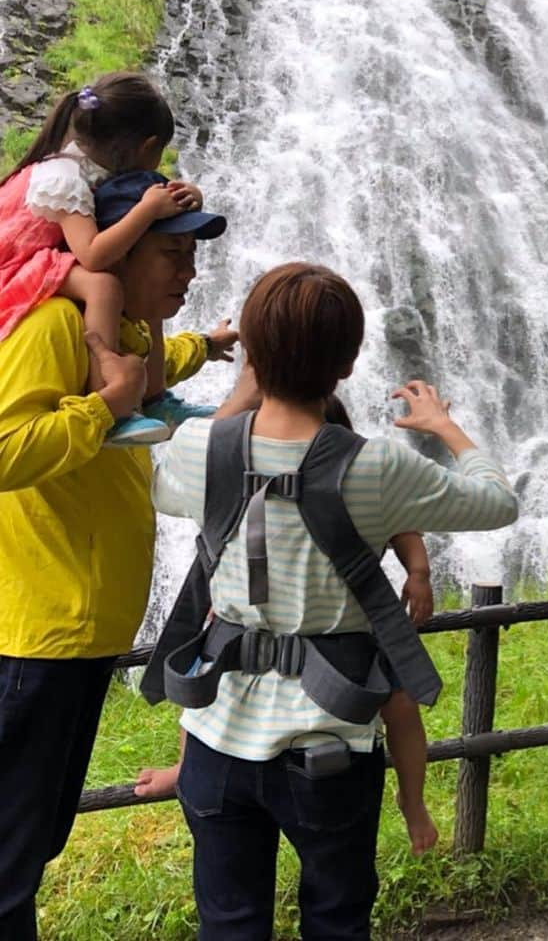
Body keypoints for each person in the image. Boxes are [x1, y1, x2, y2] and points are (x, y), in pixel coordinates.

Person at [149, 263, 518, 938]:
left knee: (227, 925)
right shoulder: (378, 465)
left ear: (252, 354)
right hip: (330, 747)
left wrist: (241, 391)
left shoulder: (200, 447)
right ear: (348, 364)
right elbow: (497, 502)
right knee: (338, 922)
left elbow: (168, 487)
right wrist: (444, 428)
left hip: (215, 742)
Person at [0, 204, 232, 938]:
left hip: (81, 635)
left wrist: (207, 344)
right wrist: (104, 406)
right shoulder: (54, 329)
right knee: (7, 855)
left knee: (30, 843)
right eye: (171, 255)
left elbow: (148, 372)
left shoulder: (119, 333)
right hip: (36, 639)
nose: (190, 273)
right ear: (118, 253)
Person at [135, 394, 440, 855]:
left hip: (347, 631)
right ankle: (184, 768)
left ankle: (412, 800)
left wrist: (419, 574)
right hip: (248, 629)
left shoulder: (355, 481)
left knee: (401, 705)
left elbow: (406, 528)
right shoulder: (241, 481)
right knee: (208, 689)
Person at [0, 71, 213, 443]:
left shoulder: (89, 163)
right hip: (14, 267)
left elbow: (139, 193)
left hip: (38, 258)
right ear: (147, 147)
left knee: (149, 301)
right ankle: (110, 401)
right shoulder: (62, 178)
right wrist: (146, 211)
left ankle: (154, 397)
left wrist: (187, 192)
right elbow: (94, 255)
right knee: (105, 286)